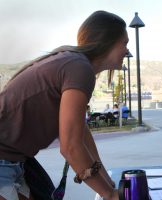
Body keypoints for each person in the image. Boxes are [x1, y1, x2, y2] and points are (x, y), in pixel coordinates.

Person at [0, 10, 128, 200]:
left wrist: (106, 182)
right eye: (124, 43)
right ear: (107, 41)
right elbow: (71, 147)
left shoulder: (73, 63)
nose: (127, 51)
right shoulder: (79, 68)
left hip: (14, 161)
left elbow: (82, 135)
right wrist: (109, 194)